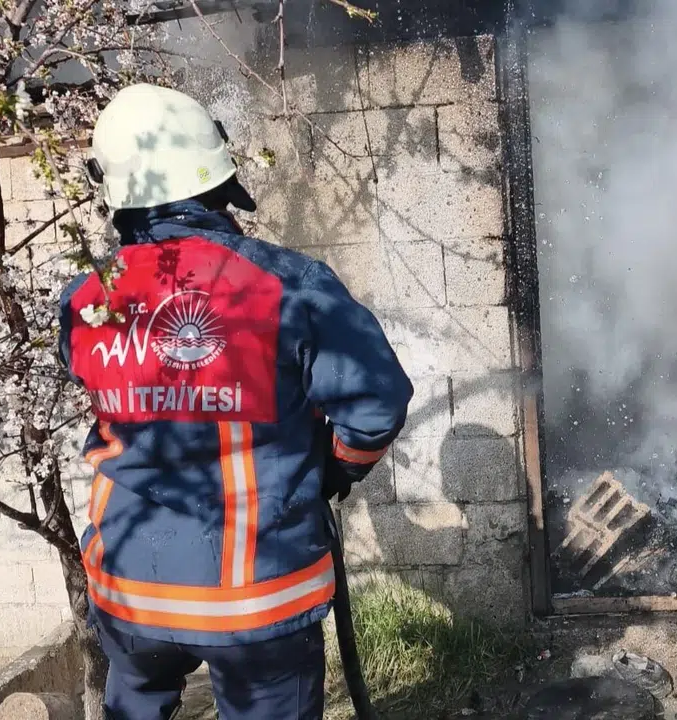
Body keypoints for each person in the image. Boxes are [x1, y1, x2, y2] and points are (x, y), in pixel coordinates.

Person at [56, 83, 414, 720]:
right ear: (220, 179)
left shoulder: (86, 298)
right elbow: (374, 405)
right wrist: (337, 470)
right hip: (256, 598)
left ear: (114, 190)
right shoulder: (288, 284)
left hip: (129, 587)